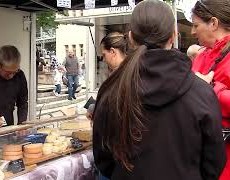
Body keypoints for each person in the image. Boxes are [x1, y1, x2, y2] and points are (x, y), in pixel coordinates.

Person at [93, 1, 226, 179]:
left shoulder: (111, 90)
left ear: (131, 37)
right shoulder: (202, 92)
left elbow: (103, 158)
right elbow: (214, 162)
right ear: (174, 35)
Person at [190, 0, 230, 179]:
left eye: (196, 25)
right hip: (199, 157)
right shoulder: (202, 56)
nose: (192, 32)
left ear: (213, 23)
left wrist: (212, 90)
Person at [86, 32, 129, 120]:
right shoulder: (124, 72)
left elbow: (114, 109)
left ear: (112, 51)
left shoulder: (123, 76)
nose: (104, 60)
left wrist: (93, 109)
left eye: (104, 55)